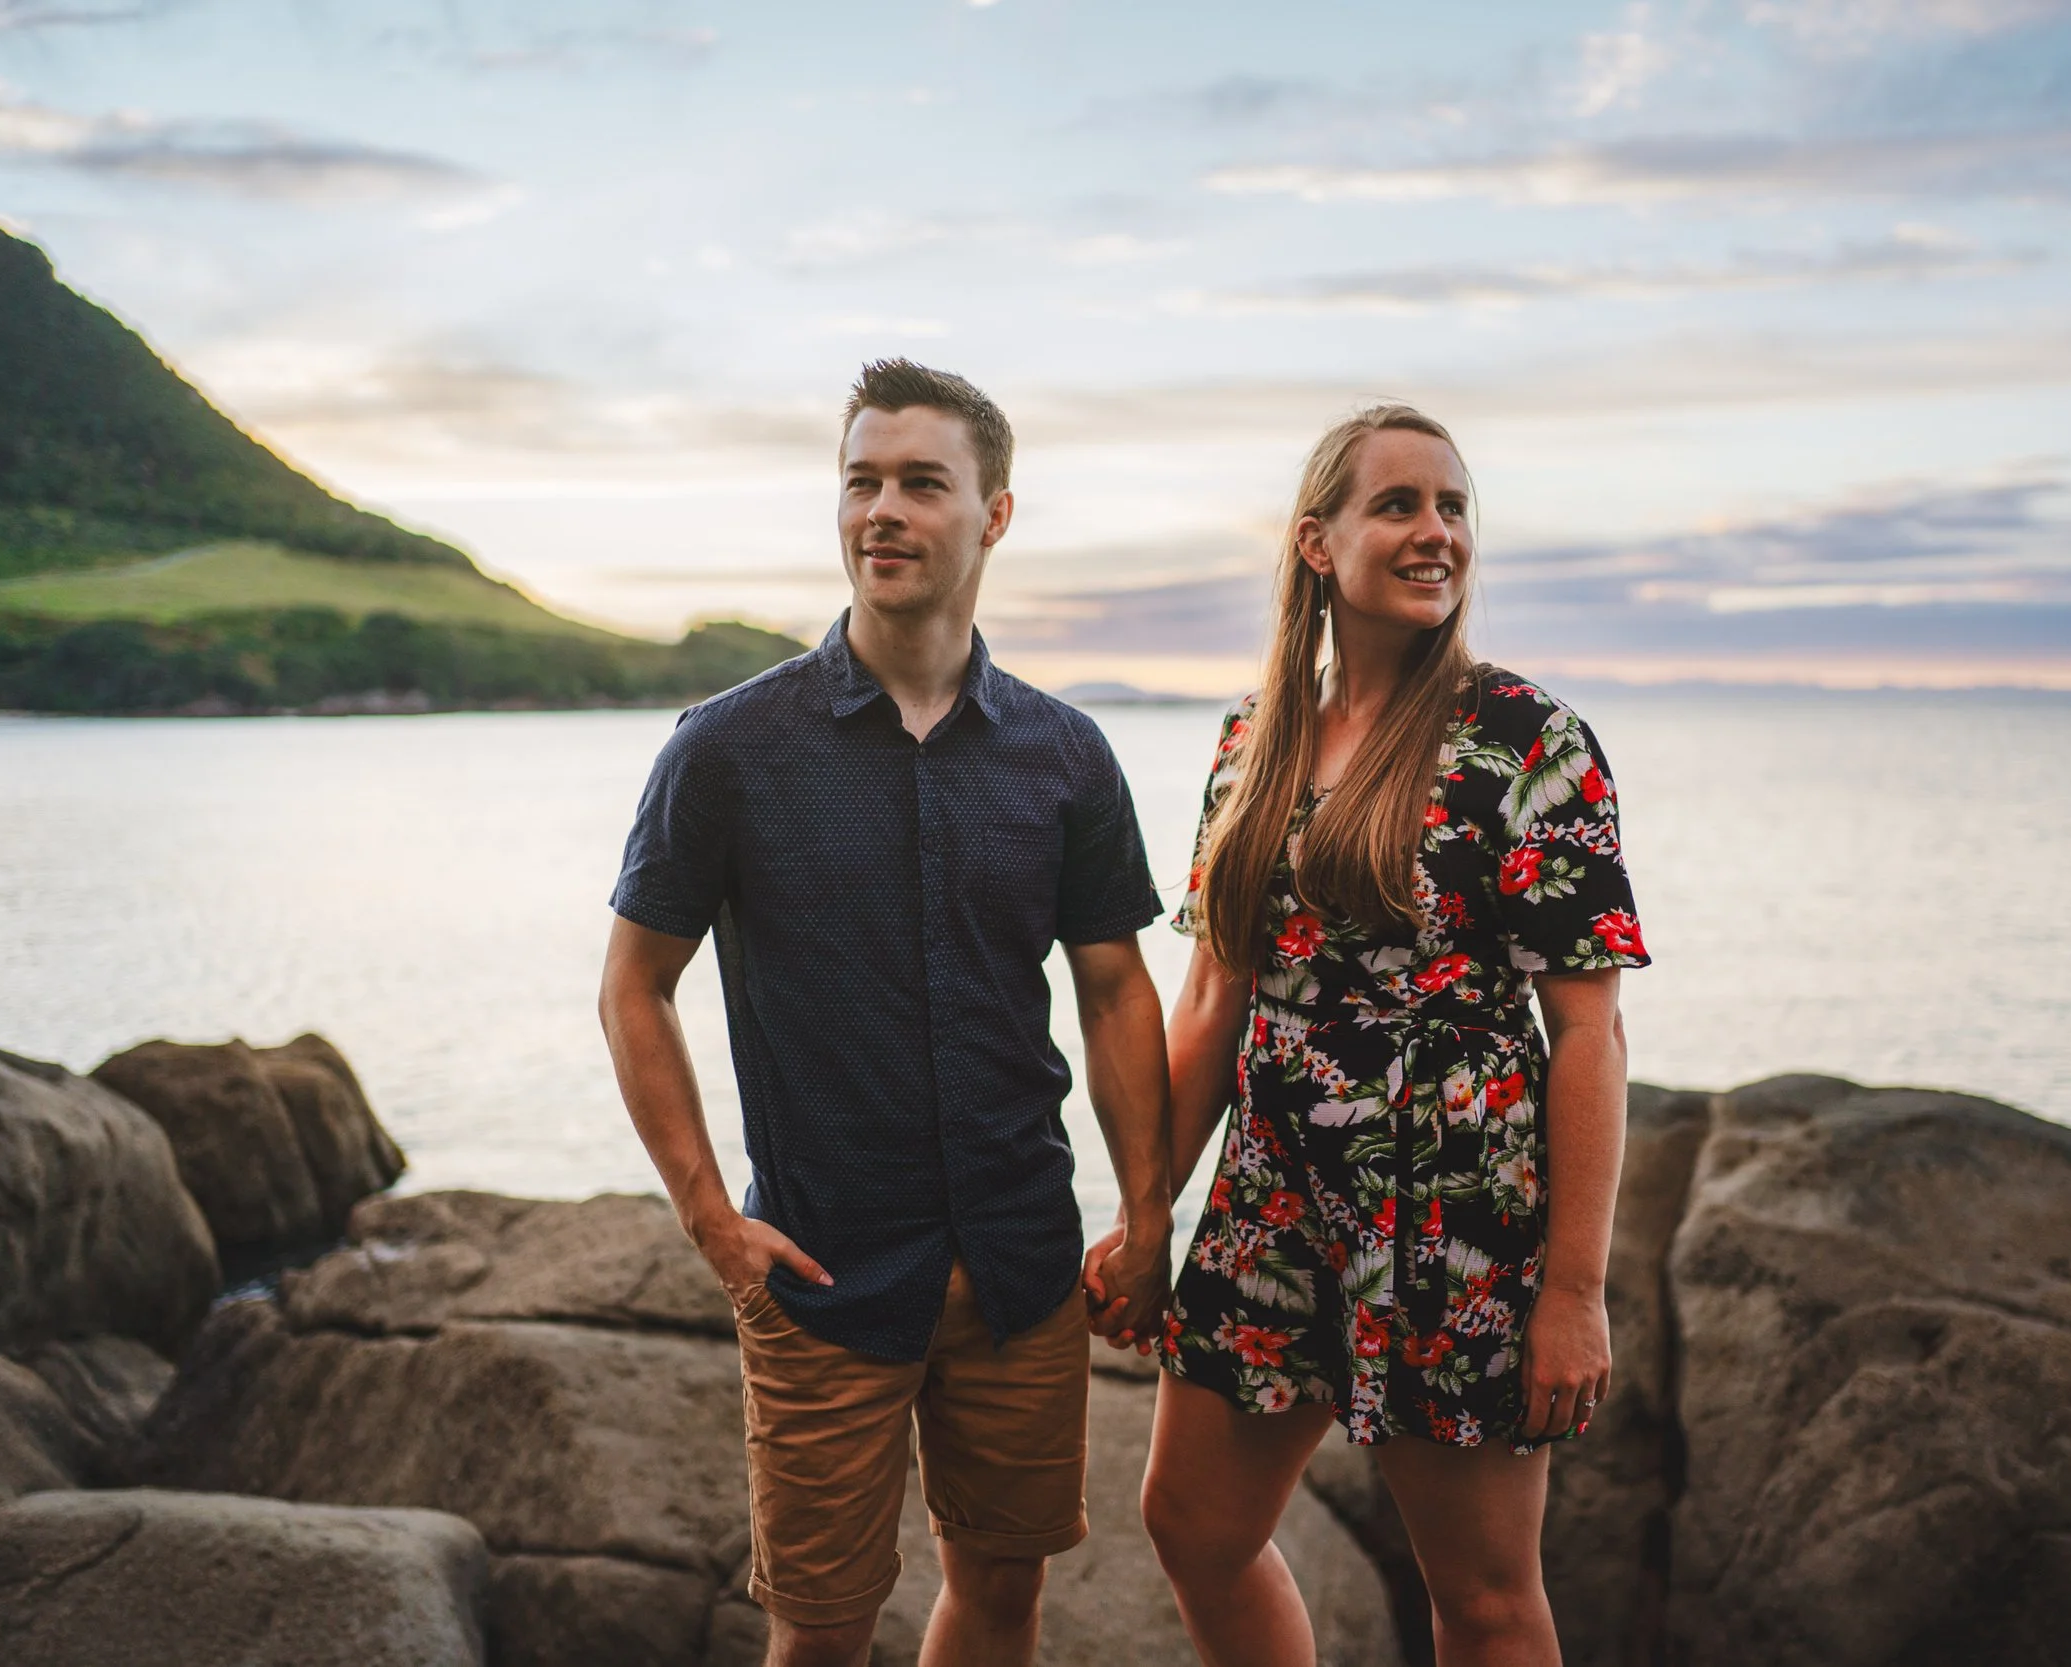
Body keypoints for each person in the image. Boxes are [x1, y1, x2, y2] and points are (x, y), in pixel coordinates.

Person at [600, 359, 1176, 1667]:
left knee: (1003, 1594)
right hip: (821, 1269)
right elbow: (636, 984)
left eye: (923, 483)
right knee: (821, 1628)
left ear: (996, 514)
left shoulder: (1065, 753)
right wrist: (709, 1218)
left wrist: (1148, 1216)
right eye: (862, 480)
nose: (884, 511)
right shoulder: (727, 748)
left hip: (1024, 1260)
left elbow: (1113, 987)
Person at [1105, 404, 1648, 1667]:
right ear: (1316, 541)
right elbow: (1209, 1001)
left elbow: (1588, 1035)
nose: (1434, 531)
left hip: (1454, 1213)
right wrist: (1147, 1216)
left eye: (1453, 507)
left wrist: (1572, 1290)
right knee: (1191, 1522)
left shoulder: (1530, 742)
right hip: (1269, 1197)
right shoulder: (1253, 738)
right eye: (1398, 504)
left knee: (1484, 1592)